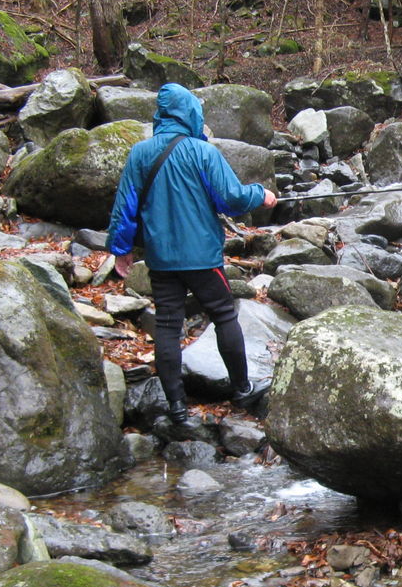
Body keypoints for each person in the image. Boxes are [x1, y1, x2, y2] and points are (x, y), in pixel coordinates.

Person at [107, 83, 278, 436]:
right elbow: (230, 198)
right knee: (224, 315)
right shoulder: (203, 153)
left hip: (162, 258)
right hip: (202, 257)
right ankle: (243, 390)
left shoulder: (140, 154)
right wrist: (261, 195)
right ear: (190, 114)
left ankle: (177, 409)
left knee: (167, 325)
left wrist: (120, 249)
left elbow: (125, 207)